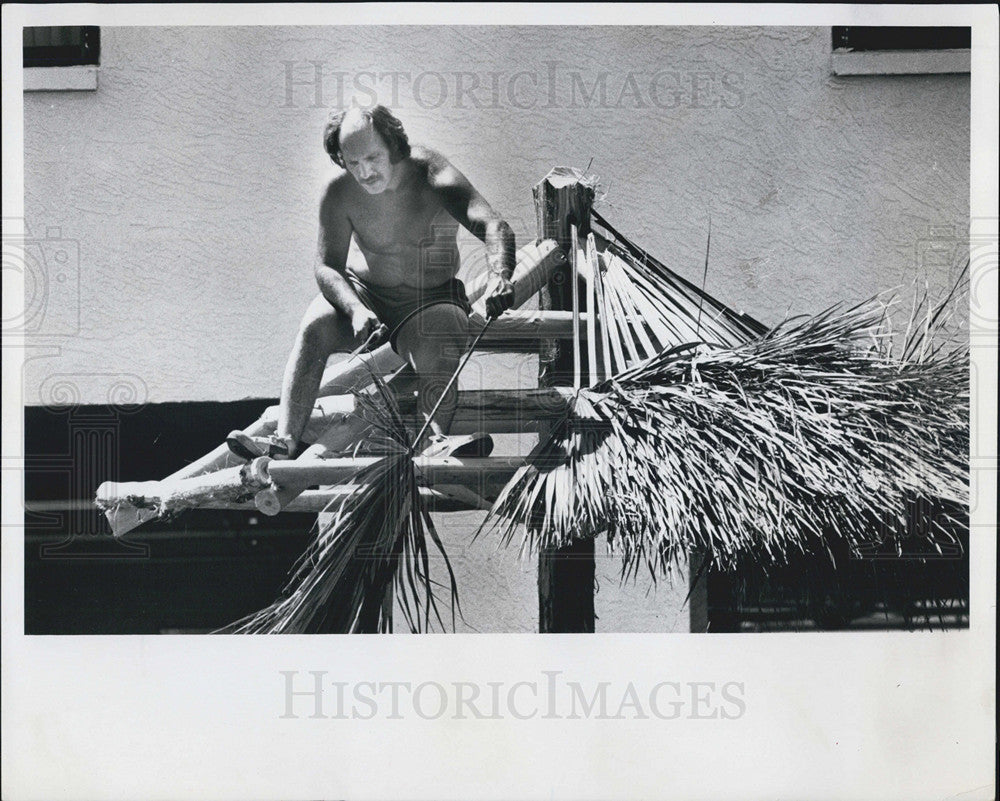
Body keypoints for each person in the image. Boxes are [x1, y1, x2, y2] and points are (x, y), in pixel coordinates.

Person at [227, 105, 516, 461]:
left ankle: (436, 441)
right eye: (353, 162)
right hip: (367, 296)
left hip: (429, 301)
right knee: (315, 323)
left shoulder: (431, 173)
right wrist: (355, 310)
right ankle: (284, 440)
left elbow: (492, 225)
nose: (364, 172)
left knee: (442, 330)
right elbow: (327, 268)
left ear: (393, 145)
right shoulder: (339, 193)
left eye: (372, 157)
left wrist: (501, 276)